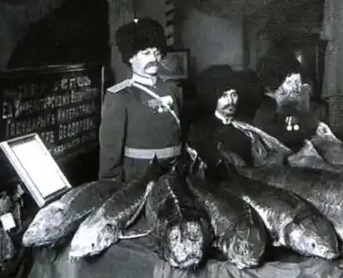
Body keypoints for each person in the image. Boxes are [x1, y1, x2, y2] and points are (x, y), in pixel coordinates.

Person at [99, 18, 185, 183]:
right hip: (139, 177)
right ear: (131, 57)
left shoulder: (173, 89)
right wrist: (110, 187)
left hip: (174, 174)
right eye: (146, 53)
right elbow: (110, 151)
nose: (154, 58)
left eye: (157, 52)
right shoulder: (119, 95)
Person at [252, 47, 326, 150]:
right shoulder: (265, 116)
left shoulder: (297, 110)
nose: (297, 88)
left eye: (298, 82)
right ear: (274, 86)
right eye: (291, 83)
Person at [187, 65, 254, 169]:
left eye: (234, 95)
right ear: (212, 97)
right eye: (224, 96)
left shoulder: (248, 127)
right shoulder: (199, 130)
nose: (231, 101)